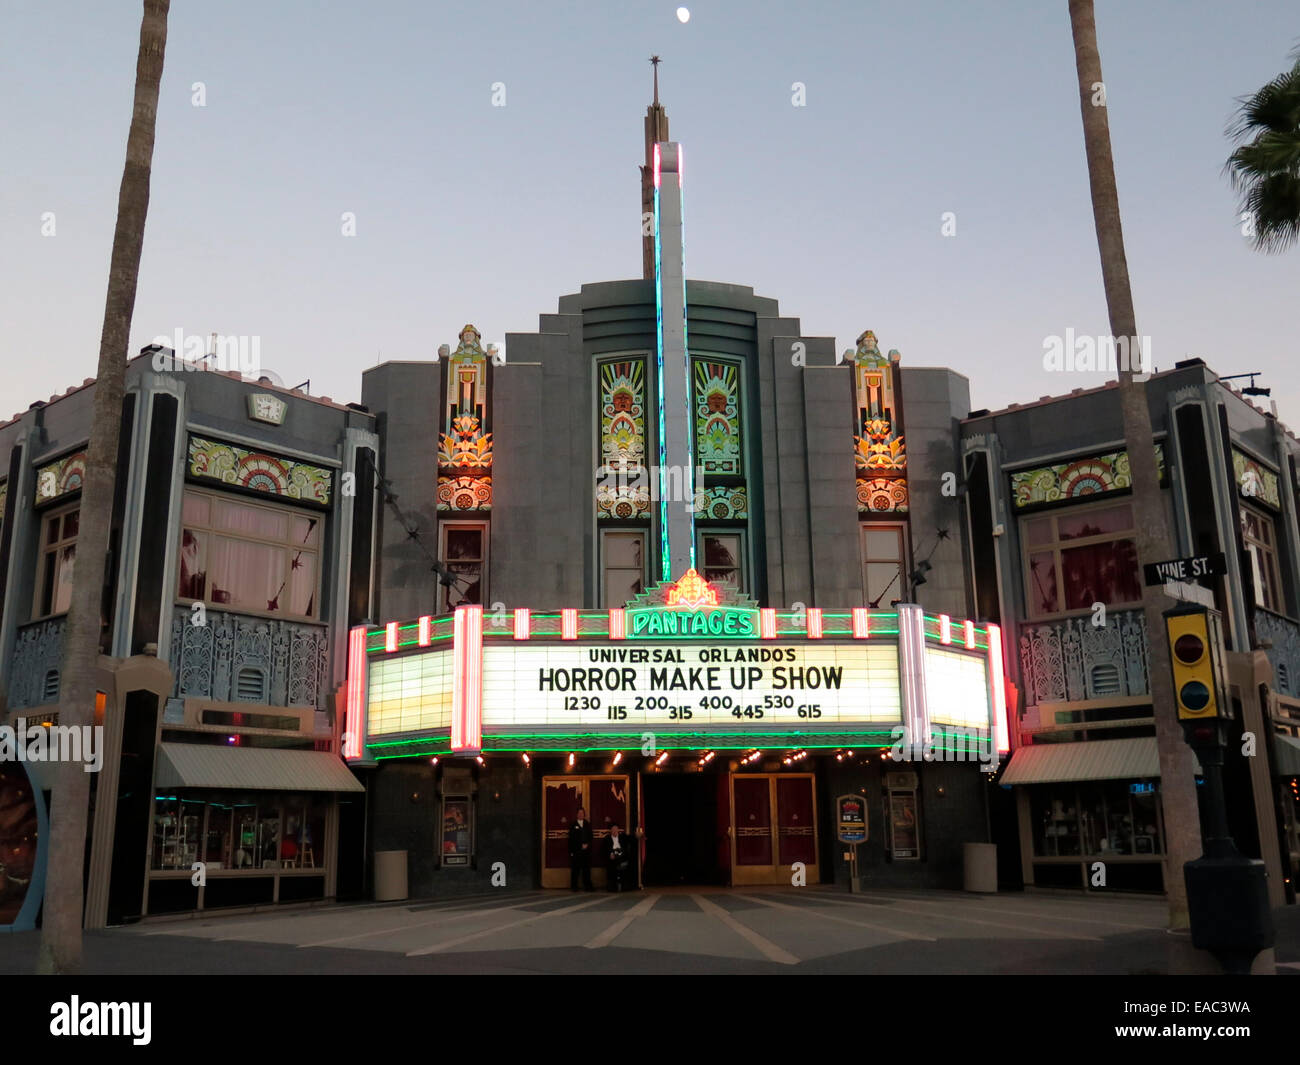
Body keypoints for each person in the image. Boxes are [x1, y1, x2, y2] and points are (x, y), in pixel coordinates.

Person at [568, 807, 593, 891]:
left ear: (584, 814)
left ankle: (588, 886)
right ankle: (574, 886)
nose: (581, 814)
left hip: (586, 851)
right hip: (576, 851)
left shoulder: (587, 824)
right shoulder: (573, 825)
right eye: (579, 813)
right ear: (577, 814)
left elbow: (591, 836)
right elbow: (571, 839)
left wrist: (587, 844)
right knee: (575, 870)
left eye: (582, 813)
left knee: (586, 869)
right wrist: (579, 846)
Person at [603, 822, 633, 891]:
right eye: (613, 829)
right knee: (611, 867)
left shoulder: (623, 836)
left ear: (618, 830)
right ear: (611, 830)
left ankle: (625, 886)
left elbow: (631, 839)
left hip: (622, 858)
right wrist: (609, 855)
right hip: (612, 858)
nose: (614, 831)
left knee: (625, 865)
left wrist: (637, 835)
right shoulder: (607, 839)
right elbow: (603, 850)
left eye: (616, 829)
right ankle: (612, 887)